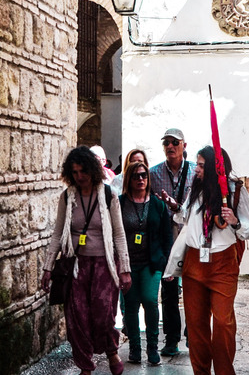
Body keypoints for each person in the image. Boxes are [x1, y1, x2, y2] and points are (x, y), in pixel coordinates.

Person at [41, 146, 132, 375]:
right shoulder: (67, 197)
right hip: (76, 264)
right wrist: (48, 267)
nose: (79, 177)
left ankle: (111, 349)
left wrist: (125, 269)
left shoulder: (109, 195)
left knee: (103, 314)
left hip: (105, 264)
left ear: (92, 170)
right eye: (74, 172)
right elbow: (57, 232)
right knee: (76, 317)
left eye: (83, 171)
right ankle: (85, 367)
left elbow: (119, 234)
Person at [170, 146, 249, 375]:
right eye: (196, 164)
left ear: (214, 168)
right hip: (194, 262)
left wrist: (235, 221)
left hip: (223, 264)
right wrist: (176, 208)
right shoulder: (196, 188)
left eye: (201, 165)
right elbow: (185, 218)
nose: (196, 169)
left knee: (223, 325)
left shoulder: (234, 190)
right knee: (196, 328)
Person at [119, 161, 173, 365]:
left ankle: (152, 346)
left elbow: (166, 236)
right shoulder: (121, 202)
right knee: (131, 305)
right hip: (129, 264)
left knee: (150, 300)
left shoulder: (157, 205)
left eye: (143, 175)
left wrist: (167, 264)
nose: (141, 179)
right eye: (136, 176)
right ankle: (134, 347)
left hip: (151, 263)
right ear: (129, 179)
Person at [149, 128, 196, 356]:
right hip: (166, 235)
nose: (170, 146)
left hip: (189, 235)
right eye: (166, 142)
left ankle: (192, 333)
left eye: (175, 142)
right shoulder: (153, 173)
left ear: (183, 145)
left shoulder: (196, 172)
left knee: (191, 285)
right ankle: (171, 338)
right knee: (168, 288)